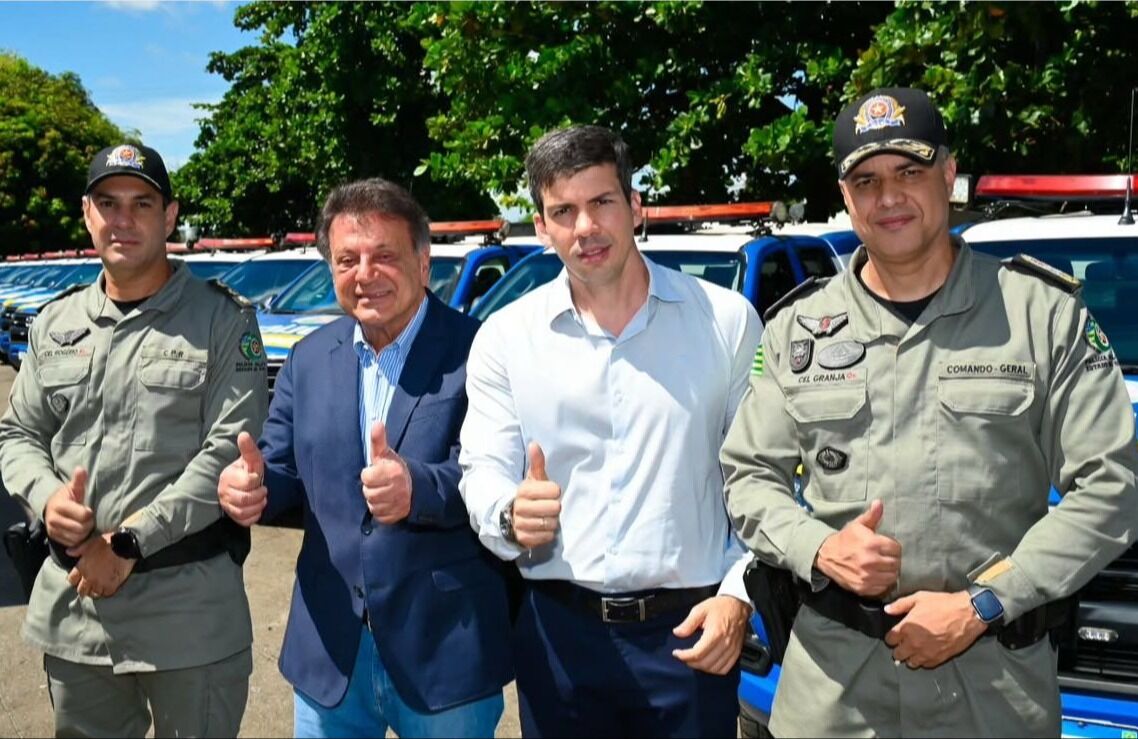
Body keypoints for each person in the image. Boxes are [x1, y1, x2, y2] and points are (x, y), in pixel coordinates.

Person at [721, 86, 1138, 736]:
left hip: (992, 690)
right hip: (833, 692)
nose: (889, 197)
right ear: (845, 194)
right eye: (867, 180)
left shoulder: (1043, 317)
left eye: (909, 172)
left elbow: (1115, 485)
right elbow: (748, 476)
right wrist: (822, 546)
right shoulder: (797, 330)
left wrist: (984, 603)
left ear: (948, 175)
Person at [458, 125, 763, 737]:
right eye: (563, 211)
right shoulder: (504, 338)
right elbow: (482, 472)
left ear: (636, 208)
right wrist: (510, 515)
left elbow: (763, 480)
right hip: (557, 639)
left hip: (694, 634)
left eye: (602, 203)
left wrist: (739, 594)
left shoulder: (726, 322)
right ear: (542, 228)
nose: (585, 228)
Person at [216, 177, 512, 738]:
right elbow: (283, 473)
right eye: (347, 259)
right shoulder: (309, 358)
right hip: (331, 651)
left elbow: (497, 474)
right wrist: (252, 487)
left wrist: (418, 488)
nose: (364, 274)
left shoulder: (481, 351)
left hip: (444, 651)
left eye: (384, 256)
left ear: (424, 263)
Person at [0, 143, 268, 736]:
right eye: (108, 203)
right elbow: (18, 432)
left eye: (141, 204)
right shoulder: (56, 323)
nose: (123, 220)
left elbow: (228, 450)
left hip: (187, 615)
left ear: (169, 217)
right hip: (78, 615)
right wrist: (47, 499)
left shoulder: (223, 320)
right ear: (87, 214)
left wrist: (126, 543)